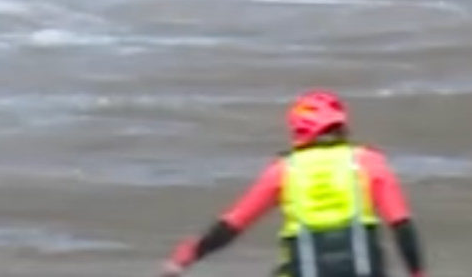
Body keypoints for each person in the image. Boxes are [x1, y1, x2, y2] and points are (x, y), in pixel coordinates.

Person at [160, 89, 425, 277]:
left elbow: (233, 224)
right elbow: (402, 226)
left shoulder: (284, 170)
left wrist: (185, 258)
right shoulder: (368, 162)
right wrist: (417, 273)